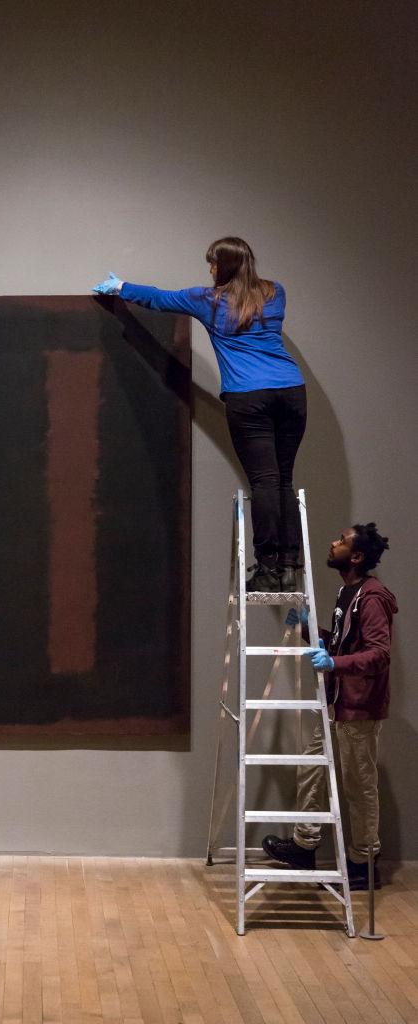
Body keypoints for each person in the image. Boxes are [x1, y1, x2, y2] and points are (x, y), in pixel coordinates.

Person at [94, 237, 306, 591]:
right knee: (283, 479)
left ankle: (267, 570)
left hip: (248, 396)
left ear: (222, 266)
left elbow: (161, 299)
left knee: (264, 482)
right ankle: (289, 566)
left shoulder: (208, 301)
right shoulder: (275, 292)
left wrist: (120, 287)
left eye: (212, 263)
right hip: (292, 392)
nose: (209, 270)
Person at [262, 523, 397, 889]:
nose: (332, 542)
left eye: (340, 541)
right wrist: (307, 627)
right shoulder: (347, 592)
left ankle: (363, 864)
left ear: (355, 556)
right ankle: (305, 845)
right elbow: (340, 642)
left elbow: (378, 655)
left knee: (359, 785)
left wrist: (335, 664)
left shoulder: (372, 598)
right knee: (311, 769)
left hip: (358, 708)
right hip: (336, 702)